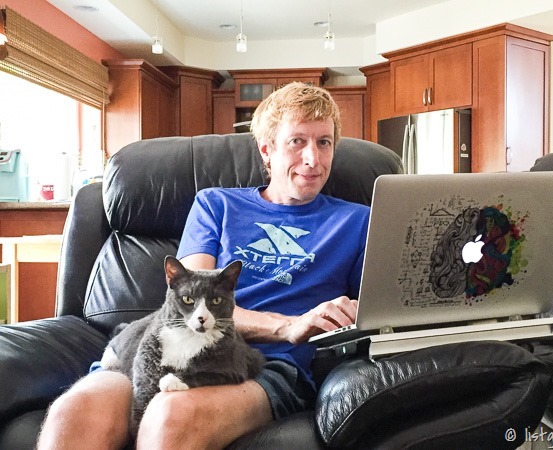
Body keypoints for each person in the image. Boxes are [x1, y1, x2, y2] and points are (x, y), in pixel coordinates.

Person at [37, 82, 370, 450]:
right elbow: (188, 301)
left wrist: (346, 314)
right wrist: (287, 326)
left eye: (324, 142)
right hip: (170, 346)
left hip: (267, 366)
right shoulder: (216, 204)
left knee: (170, 416)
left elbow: (376, 315)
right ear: (267, 149)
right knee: (73, 412)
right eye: (297, 142)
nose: (313, 158)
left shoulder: (358, 221)